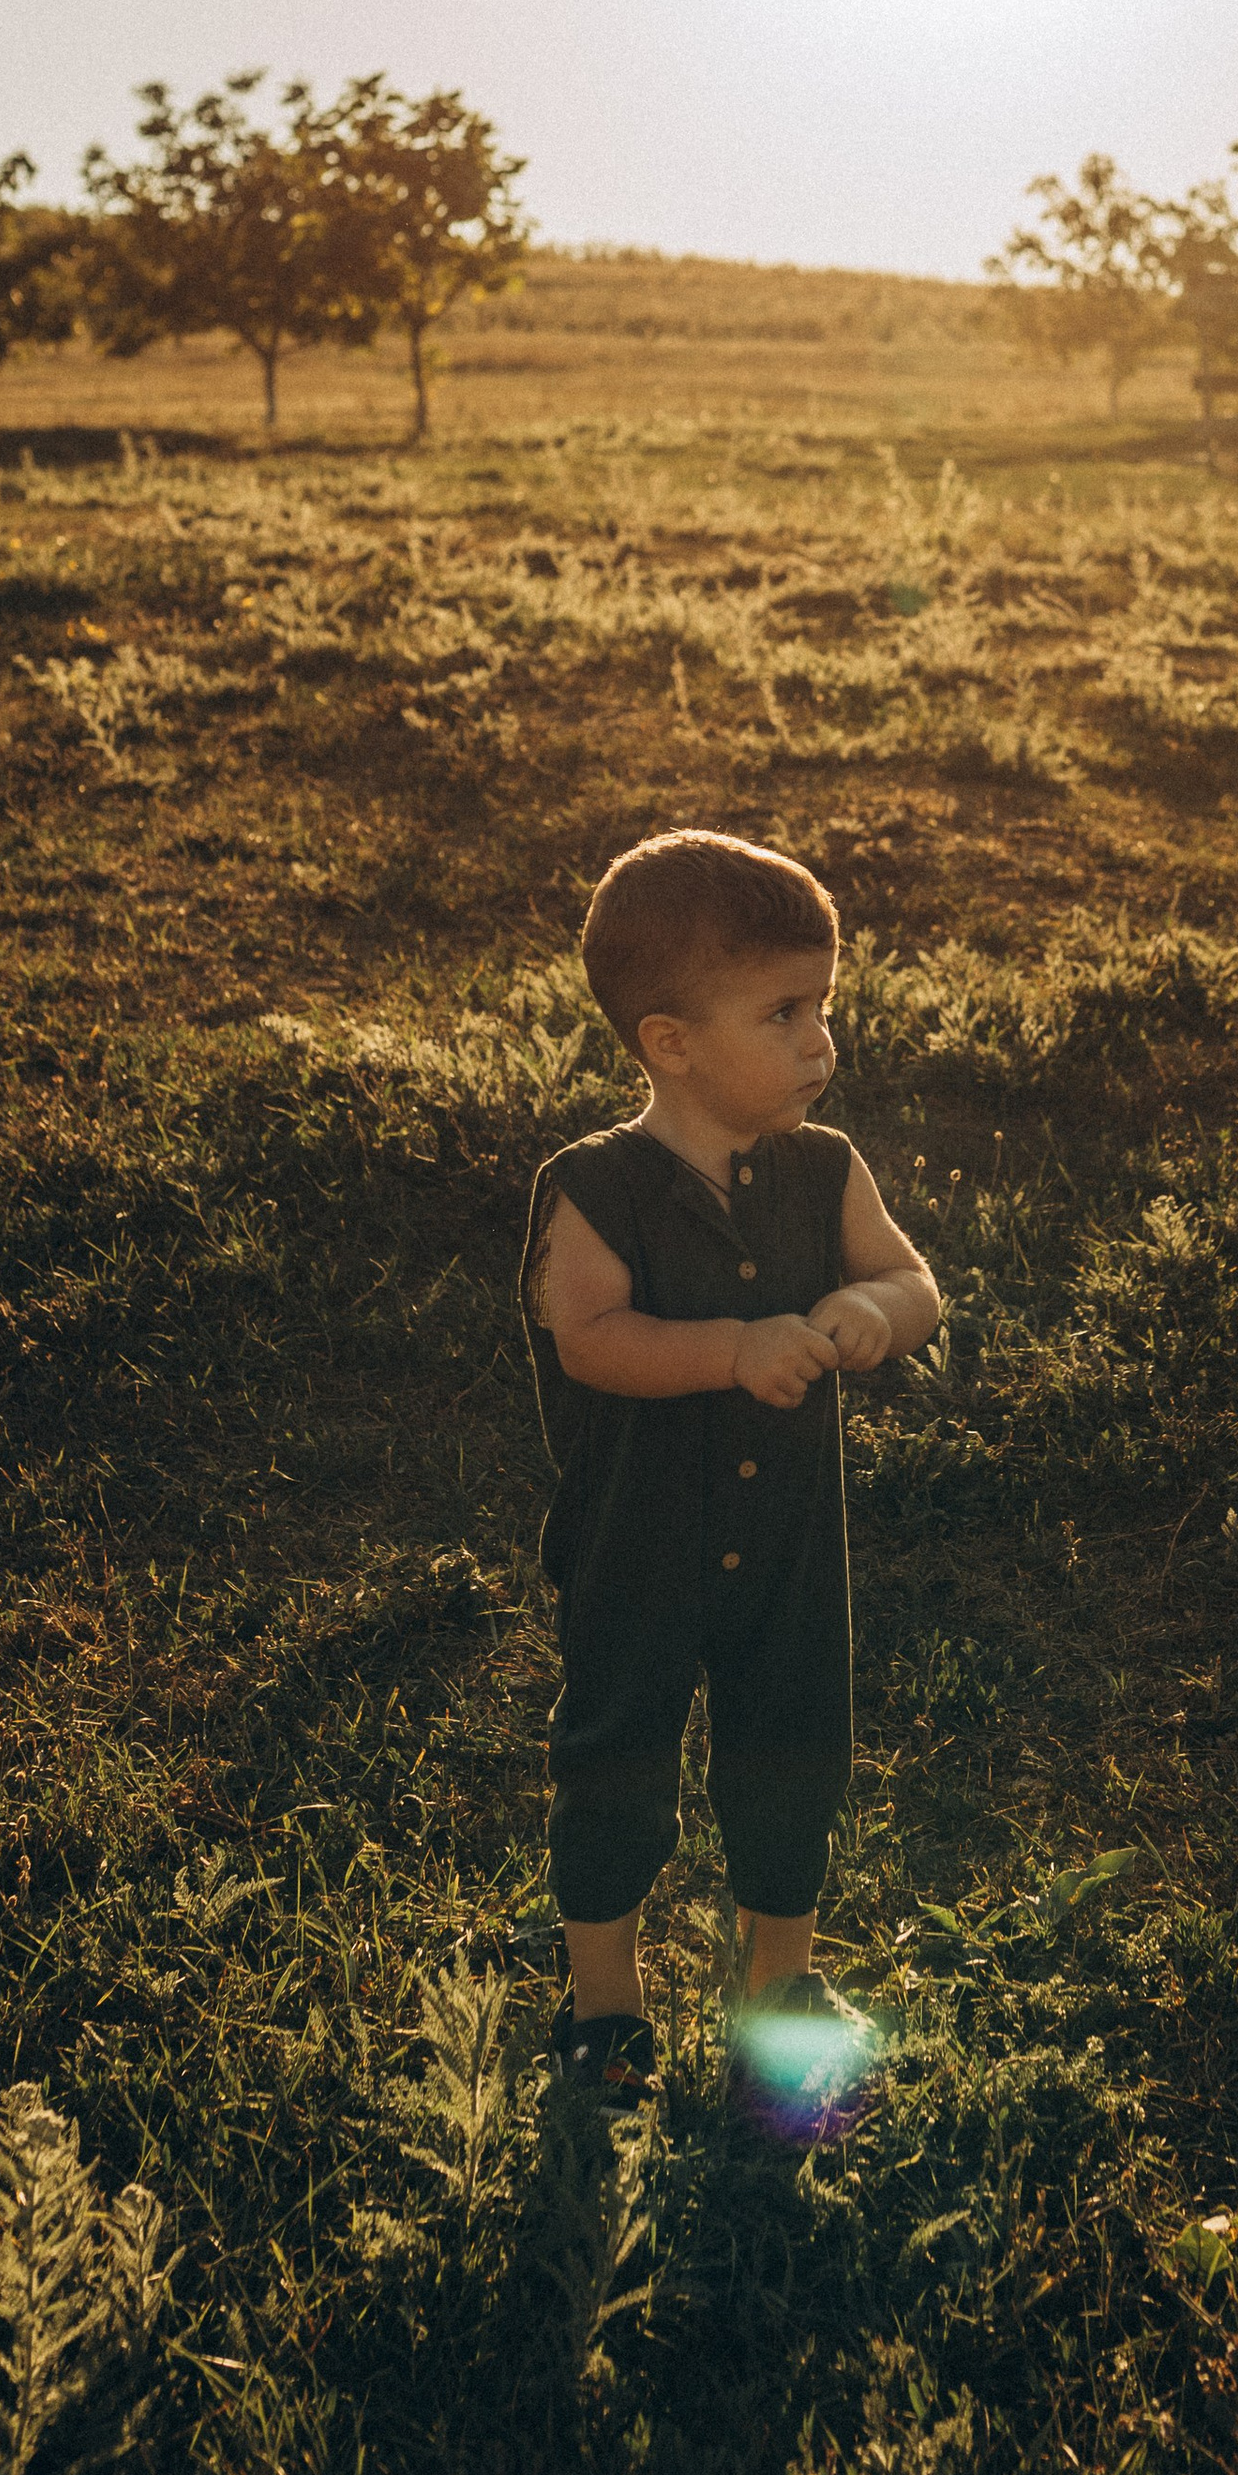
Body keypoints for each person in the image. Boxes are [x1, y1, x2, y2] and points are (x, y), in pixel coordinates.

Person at [518, 830, 941, 2118]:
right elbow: (586, 1336)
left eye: (826, 1006)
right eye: (784, 1012)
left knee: (790, 1748)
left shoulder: (828, 1170)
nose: (822, 1040)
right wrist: (731, 1351)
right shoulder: (595, 1190)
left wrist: (877, 1309)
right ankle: (606, 2008)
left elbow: (913, 1280)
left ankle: (783, 1989)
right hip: (635, 1545)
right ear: (671, 1042)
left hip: (791, 1544)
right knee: (617, 1756)